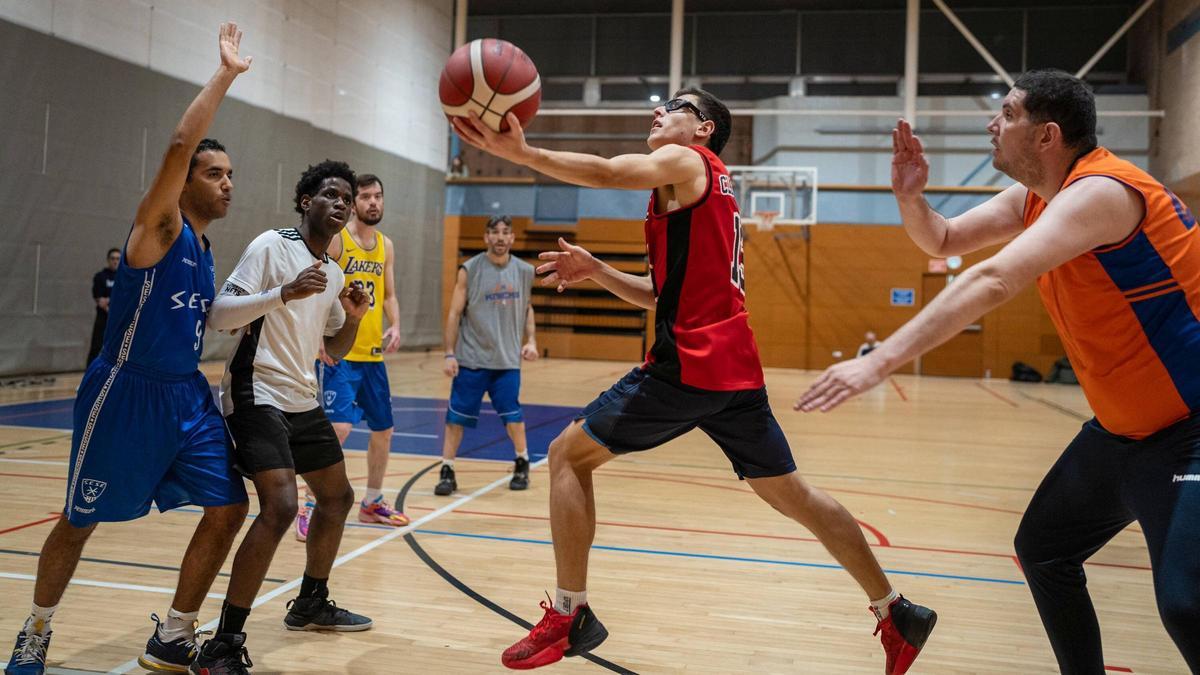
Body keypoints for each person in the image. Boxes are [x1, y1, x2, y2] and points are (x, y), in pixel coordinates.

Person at [451, 91, 936, 673]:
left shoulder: (688, 162)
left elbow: (606, 172)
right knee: (794, 495)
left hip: (689, 363)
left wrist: (522, 151)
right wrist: (597, 269)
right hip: (732, 366)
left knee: (565, 457)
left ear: (703, 128)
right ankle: (896, 610)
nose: (657, 111)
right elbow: (661, 292)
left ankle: (570, 613)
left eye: (674, 105)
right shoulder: (689, 192)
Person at [796, 69, 1200, 672]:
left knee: (1188, 607)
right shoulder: (1039, 197)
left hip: (1190, 428)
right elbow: (943, 240)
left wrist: (878, 361)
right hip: (1124, 433)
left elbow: (993, 278)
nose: (993, 124)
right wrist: (910, 197)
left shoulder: (1103, 193)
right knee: (1044, 548)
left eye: (1007, 114)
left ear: (1047, 136)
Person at [5, 23, 252, 675]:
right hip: (123, 392)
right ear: (186, 180)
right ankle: (34, 630)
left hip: (186, 397)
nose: (227, 183)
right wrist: (224, 75)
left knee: (230, 506)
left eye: (231, 174)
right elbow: (177, 143)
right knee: (78, 521)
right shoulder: (160, 227)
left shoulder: (202, 249)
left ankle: (172, 634)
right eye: (214, 171)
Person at [193, 160, 372, 673]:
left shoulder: (334, 271)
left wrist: (354, 319)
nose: (341, 204)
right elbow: (221, 314)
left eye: (347, 198)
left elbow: (335, 346)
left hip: (301, 397)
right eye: (331, 195)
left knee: (337, 497)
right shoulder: (272, 245)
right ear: (305, 202)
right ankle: (223, 643)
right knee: (280, 507)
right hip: (257, 390)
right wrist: (284, 292)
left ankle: (311, 601)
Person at [299, 173, 408, 543]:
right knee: (340, 428)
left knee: (384, 430)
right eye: (366, 196)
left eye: (378, 196)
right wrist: (316, 338)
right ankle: (309, 503)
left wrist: (396, 325)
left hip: (372, 355)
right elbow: (318, 287)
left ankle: (373, 501)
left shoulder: (385, 246)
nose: (374, 202)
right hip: (339, 352)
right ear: (353, 202)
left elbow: (389, 293)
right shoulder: (338, 241)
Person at [437, 214, 538, 496]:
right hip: (472, 359)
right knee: (456, 418)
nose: (501, 237)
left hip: (506, 362)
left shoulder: (524, 271)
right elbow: (455, 313)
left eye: (506, 232)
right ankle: (447, 469)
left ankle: (522, 462)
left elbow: (527, 308)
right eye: (495, 232)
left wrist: (531, 340)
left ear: (512, 238)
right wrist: (449, 354)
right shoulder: (470, 269)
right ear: (486, 237)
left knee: (513, 416)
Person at [86, 248, 120, 366]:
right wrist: (110, 305)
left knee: (120, 349)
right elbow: (100, 300)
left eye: (117, 259)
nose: (115, 261)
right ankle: (89, 377)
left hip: (119, 319)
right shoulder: (100, 276)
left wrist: (110, 300)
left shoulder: (124, 278)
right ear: (108, 260)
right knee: (96, 347)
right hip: (103, 318)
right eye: (113, 258)